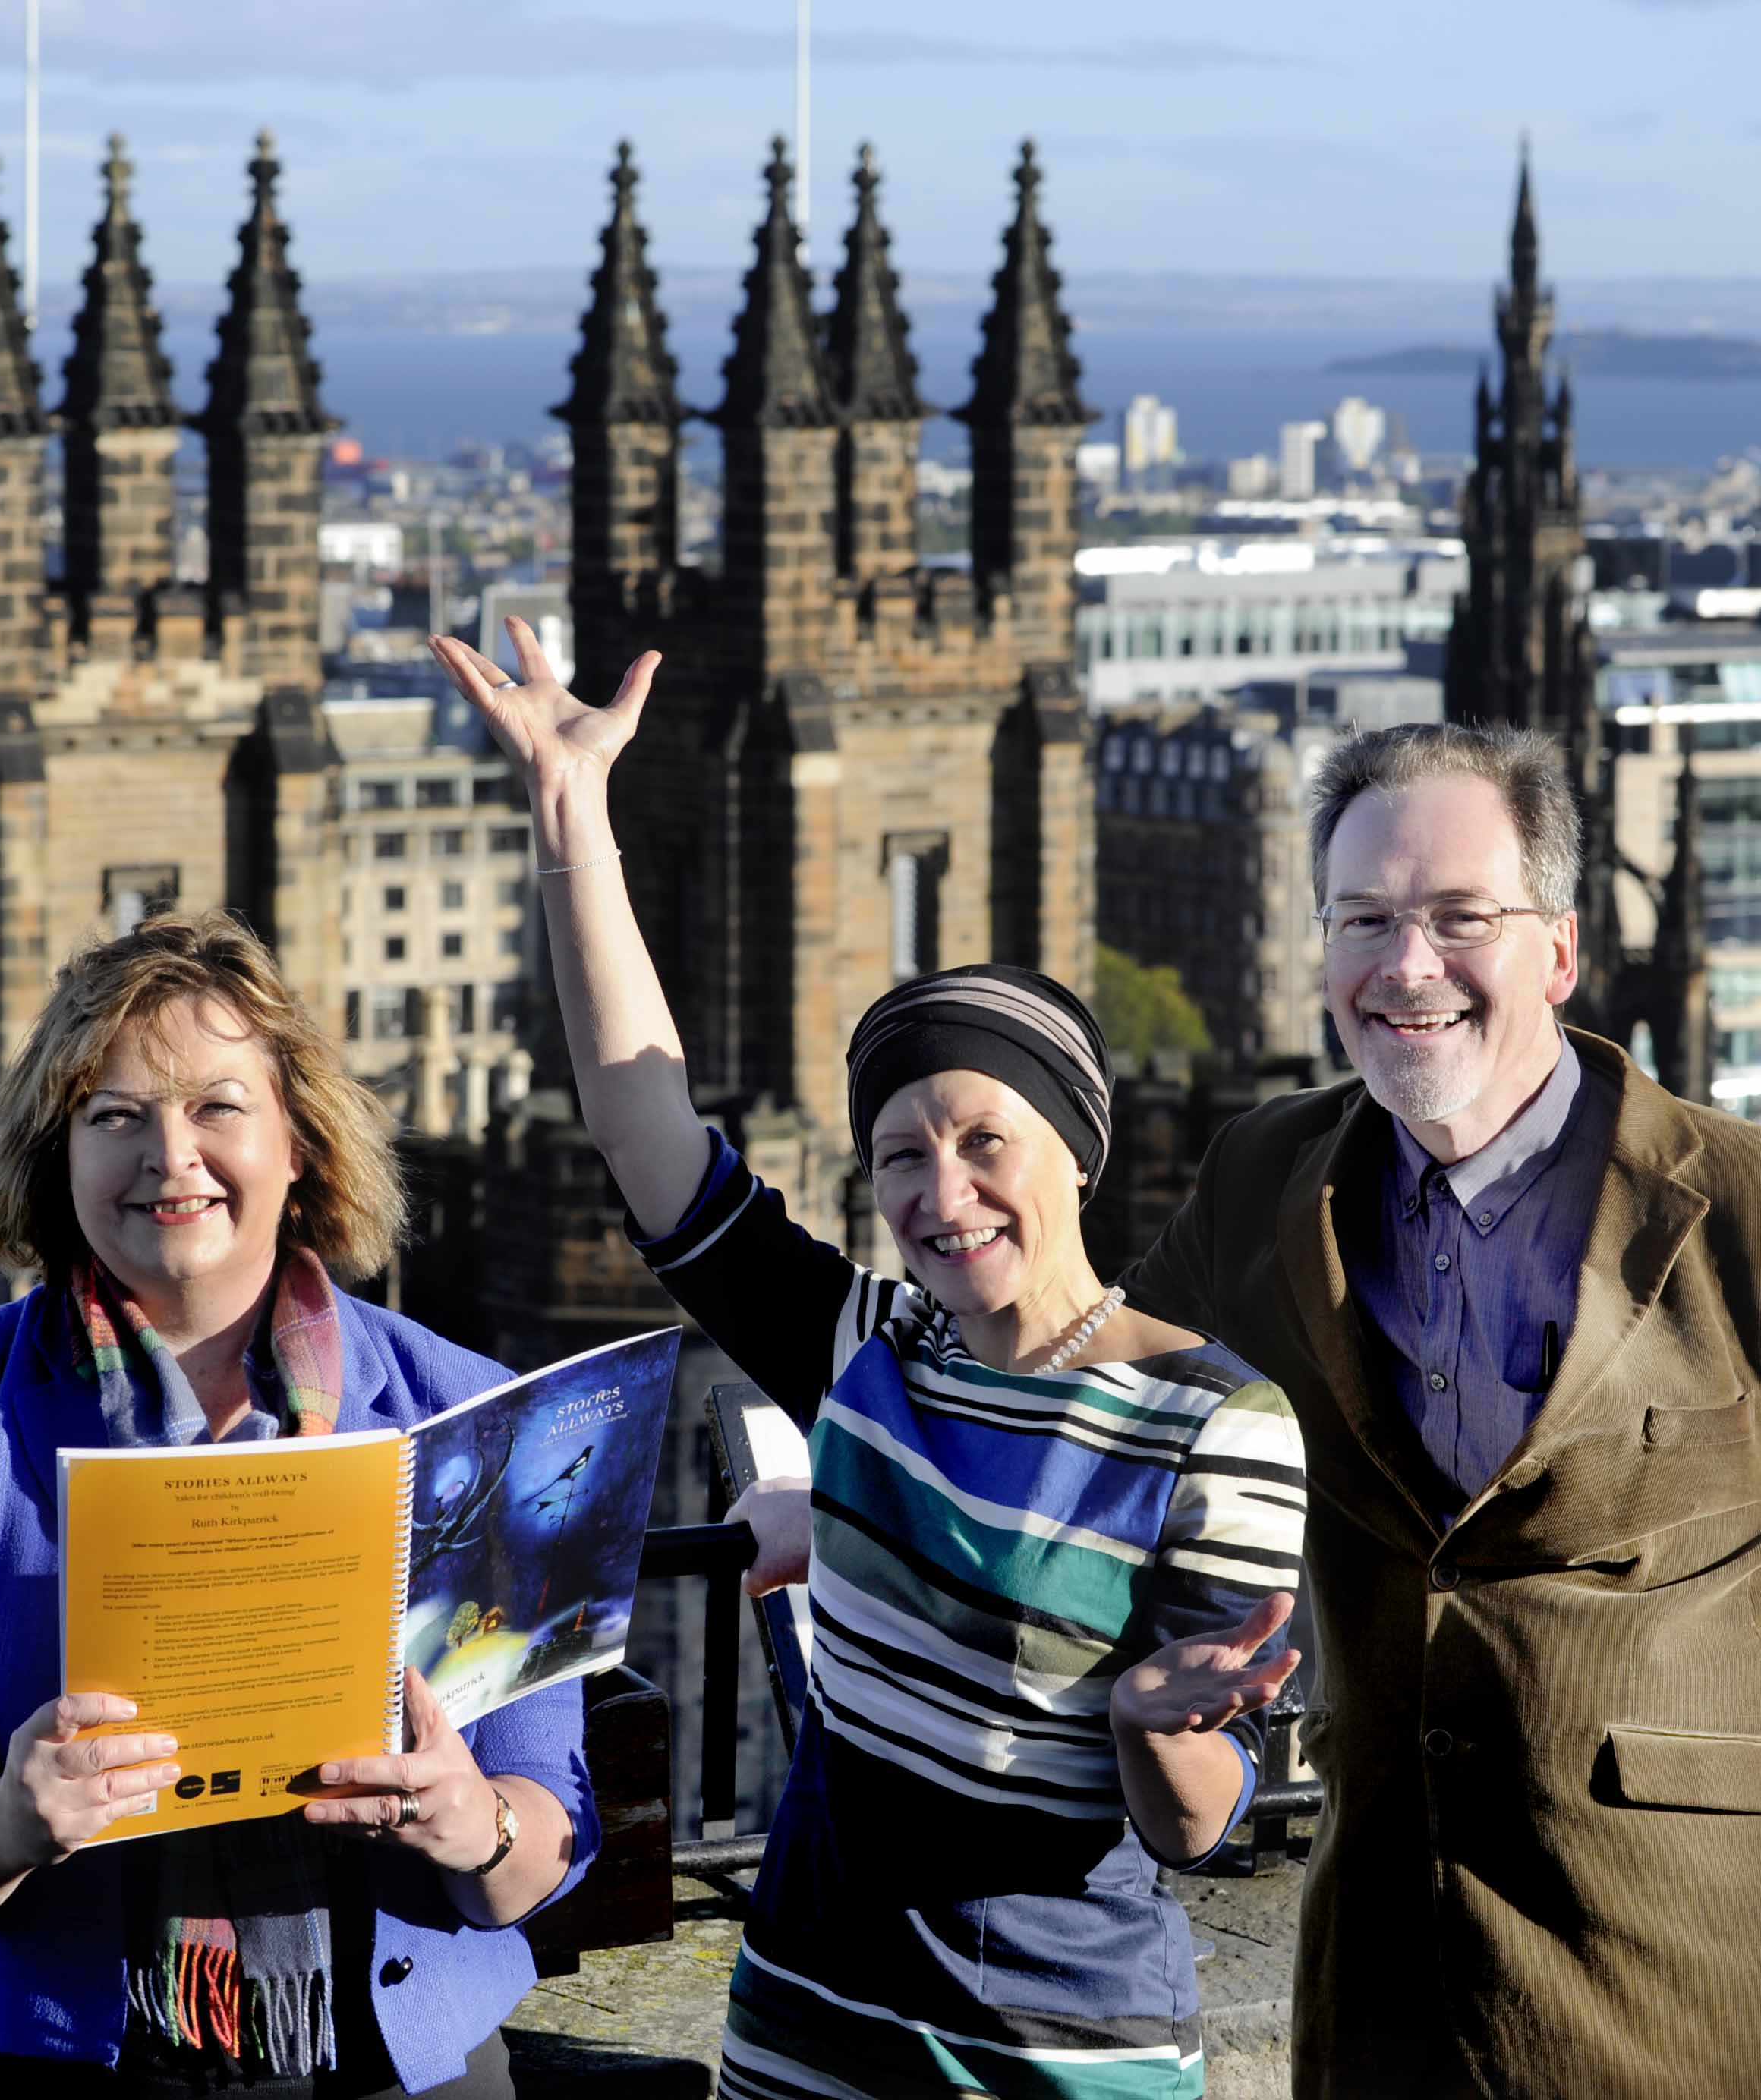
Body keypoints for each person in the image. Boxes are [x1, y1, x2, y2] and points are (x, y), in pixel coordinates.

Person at [433, 619, 1306, 2100]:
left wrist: (1155, 1727)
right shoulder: (863, 1356)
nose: (940, 1189)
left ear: (1074, 1154)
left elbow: (1194, 1826)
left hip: (1056, 2060)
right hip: (800, 2024)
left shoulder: (1210, 1421)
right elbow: (649, 1133)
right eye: (900, 1152)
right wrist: (572, 814)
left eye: (984, 1139)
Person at [1118, 721, 1761, 2100]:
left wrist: (1718, 1763)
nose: (1405, 966)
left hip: (1702, 1993)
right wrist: (830, 1479)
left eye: (1457, 917)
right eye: (1362, 920)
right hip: (1390, 1986)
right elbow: (1078, 1373)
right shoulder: (1267, 1180)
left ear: (1557, 948)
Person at [0, 911, 597, 2096]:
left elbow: (545, 1837)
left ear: (300, 1143)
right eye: (115, 1116)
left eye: (216, 1107)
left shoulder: (465, 1406)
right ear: (56, 1159)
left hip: (395, 2062)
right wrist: (4, 1824)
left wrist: (467, 1820)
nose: (169, 1157)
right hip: (28, 2058)